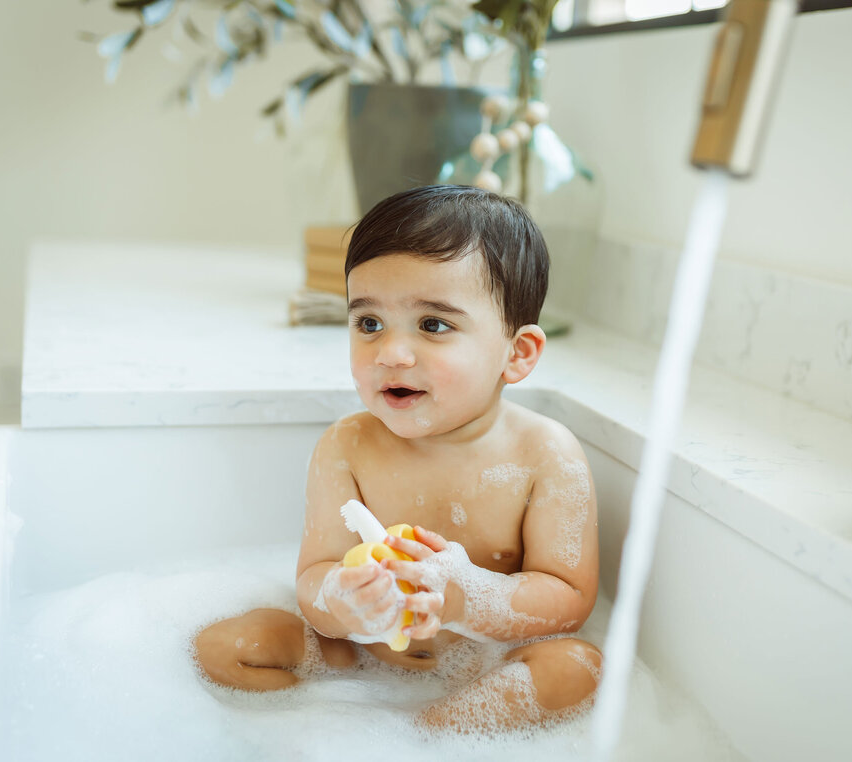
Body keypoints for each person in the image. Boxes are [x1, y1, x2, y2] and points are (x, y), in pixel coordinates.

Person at [193, 185, 601, 731]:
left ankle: (435, 734)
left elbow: (570, 598)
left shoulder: (546, 454)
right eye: (368, 323)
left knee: (578, 669)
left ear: (517, 353)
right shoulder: (347, 446)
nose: (391, 353)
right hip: (358, 654)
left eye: (433, 325)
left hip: (487, 660)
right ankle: (324, 731)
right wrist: (342, 603)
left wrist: (470, 597)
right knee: (223, 647)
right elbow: (315, 575)